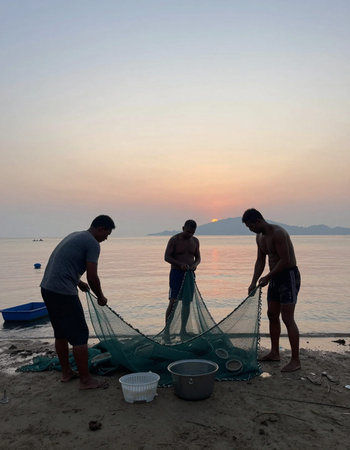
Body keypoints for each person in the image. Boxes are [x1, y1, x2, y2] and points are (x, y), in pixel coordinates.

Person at [40, 215, 116, 389]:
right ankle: (86, 380)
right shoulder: (92, 243)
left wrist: (78, 282)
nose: (106, 238)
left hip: (47, 288)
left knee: (61, 333)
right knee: (80, 334)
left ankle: (66, 372)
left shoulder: (76, 235)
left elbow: (63, 265)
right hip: (63, 292)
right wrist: (101, 297)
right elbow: (93, 277)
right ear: (100, 228)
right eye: (107, 234)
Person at [242, 208, 301, 372]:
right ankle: (275, 353)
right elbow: (260, 260)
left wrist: (268, 277)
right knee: (272, 315)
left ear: (258, 221)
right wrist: (253, 282)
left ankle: (296, 360)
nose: (250, 229)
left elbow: (285, 259)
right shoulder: (259, 237)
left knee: (287, 318)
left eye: (250, 226)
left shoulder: (278, 233)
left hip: (288, 276)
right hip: (274, 277)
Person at [164, 220, 201, 336]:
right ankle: (167, 331)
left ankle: (183, 330)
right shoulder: (174, 240)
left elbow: (198, 258)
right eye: (188, 232)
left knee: (187, 302)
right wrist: (179, 264)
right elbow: (167, 257)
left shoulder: (195, 241)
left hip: (189, 275)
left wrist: (195, 265)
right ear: (183, 228)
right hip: (176, 273)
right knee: (173, 301)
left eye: (192, 233)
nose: (190, 234)